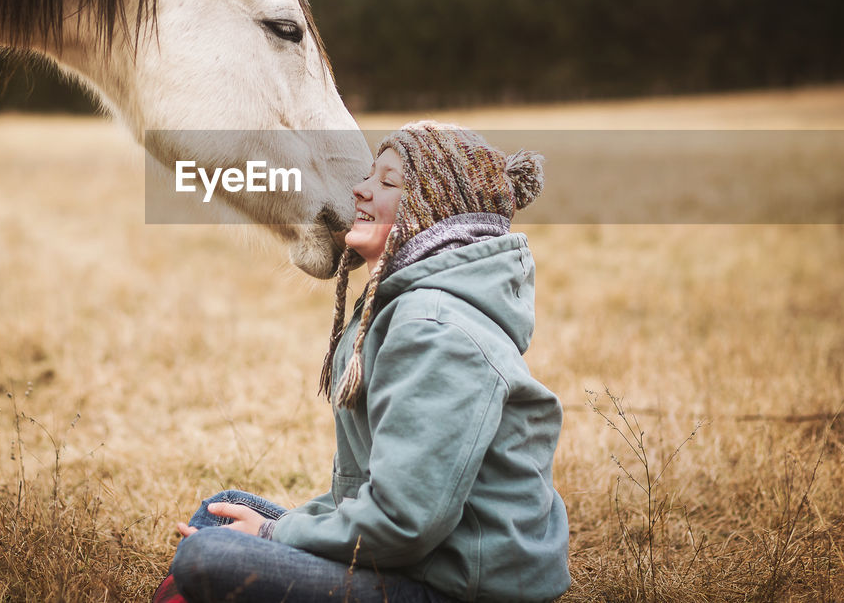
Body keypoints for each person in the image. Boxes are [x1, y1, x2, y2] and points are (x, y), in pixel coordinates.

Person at [152, 121, 570, 603]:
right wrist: (278, 528)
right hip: (424, 561)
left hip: (461, 587)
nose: (360, 189)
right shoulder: (401, 308)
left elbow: (404, 522)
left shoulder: (435, 329)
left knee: (208, 557)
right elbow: (363, 498)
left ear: (432, 215)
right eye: (370, 176)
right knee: (221, 512)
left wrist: (272, 537)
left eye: (387, 183)